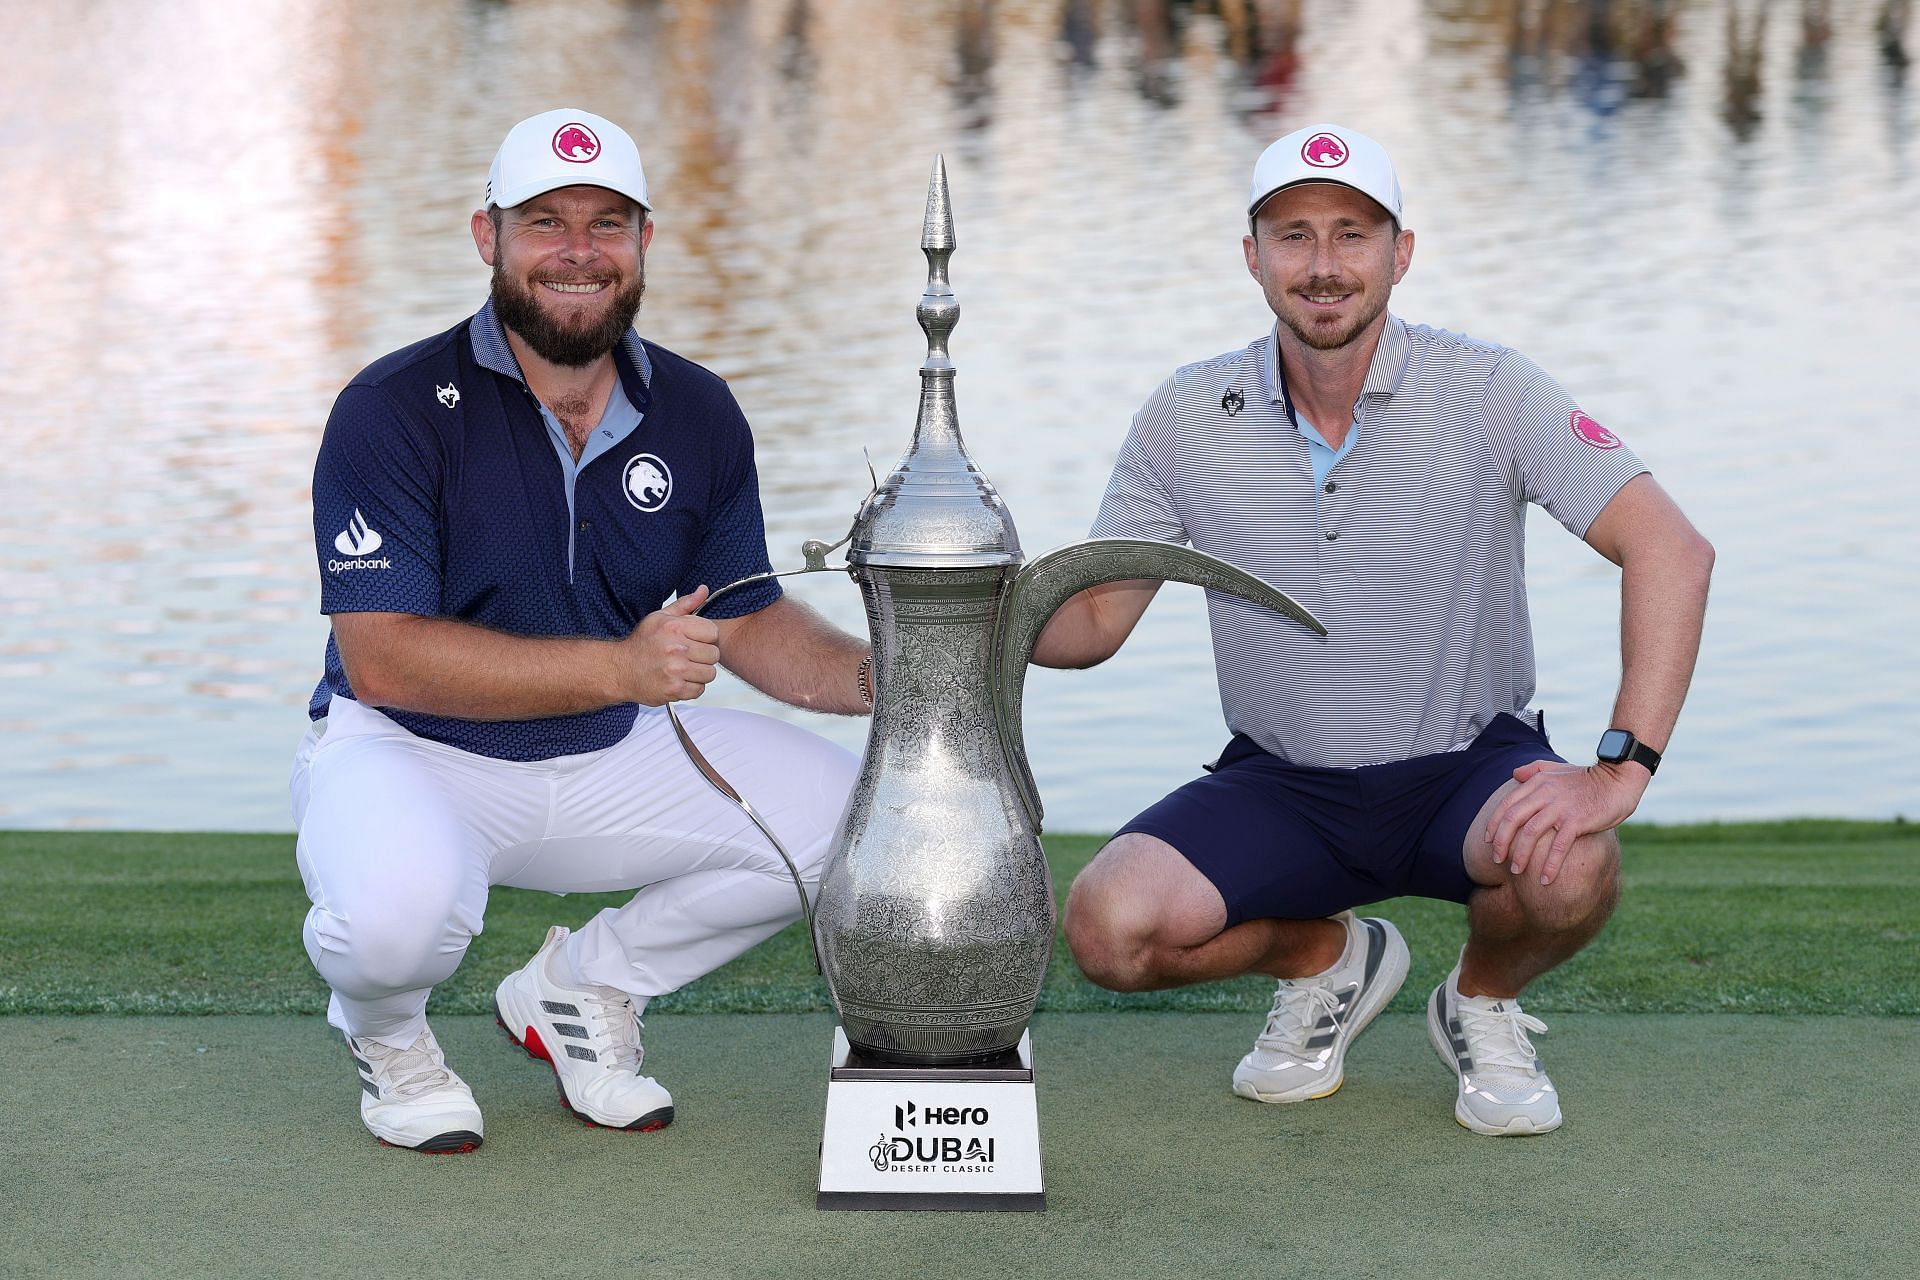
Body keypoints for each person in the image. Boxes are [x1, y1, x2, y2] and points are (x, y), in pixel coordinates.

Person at [1034, 124, 1713, 1135]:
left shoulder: (1490, 389)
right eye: (1294, 235)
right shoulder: (1185, 412)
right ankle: (1330, 960)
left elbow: (1671, 548)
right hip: (1284, 781)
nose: (1322, 266)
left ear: (1400, 253)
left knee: (1573, 861)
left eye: (1352, 234)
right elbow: (1092, 621)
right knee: (1107, 928)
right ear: (1253, 256)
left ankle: (1479, 999)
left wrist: (1620, 766)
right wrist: (951, 603)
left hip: (1466, 768)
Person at [294, 109, 868, 1153]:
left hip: (607, 747)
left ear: (645, 242)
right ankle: (387, 1032)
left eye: (608, 223)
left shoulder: (698, 407)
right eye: (544, 221)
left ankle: (582, 985)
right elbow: (381, 653)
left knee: (849, 825)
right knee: (393, 921)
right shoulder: (392, 406)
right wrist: (623, 663)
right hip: (411, 749)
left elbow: (745, 617)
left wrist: (899, 677)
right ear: (488, 238)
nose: (577, 251)